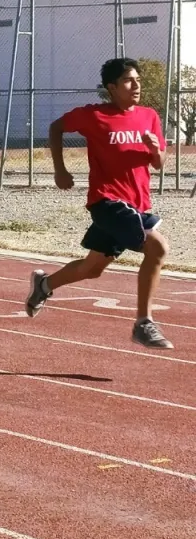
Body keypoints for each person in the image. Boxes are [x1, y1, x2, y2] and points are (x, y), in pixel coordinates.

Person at [25, 58, 172, 349]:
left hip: (137, 203)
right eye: (129, 81)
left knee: (93, 267)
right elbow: (56, 127)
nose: (136, 86)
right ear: (112, 87)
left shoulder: (149, 116)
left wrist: (156, 151)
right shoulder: (94, 116)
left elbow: (159, 163)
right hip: (107, 201)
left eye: (138, 80)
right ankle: (144, 323)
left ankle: (44, 285)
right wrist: (60, 169)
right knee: (158, 247)